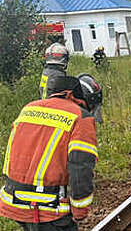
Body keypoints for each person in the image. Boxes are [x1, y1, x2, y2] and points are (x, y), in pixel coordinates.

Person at [0, 74, 103, 230]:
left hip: (13, 200)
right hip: (47, 207)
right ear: (86, 100)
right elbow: (80, 168)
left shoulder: (29, 109)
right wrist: (80, 209)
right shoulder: (81, 118)